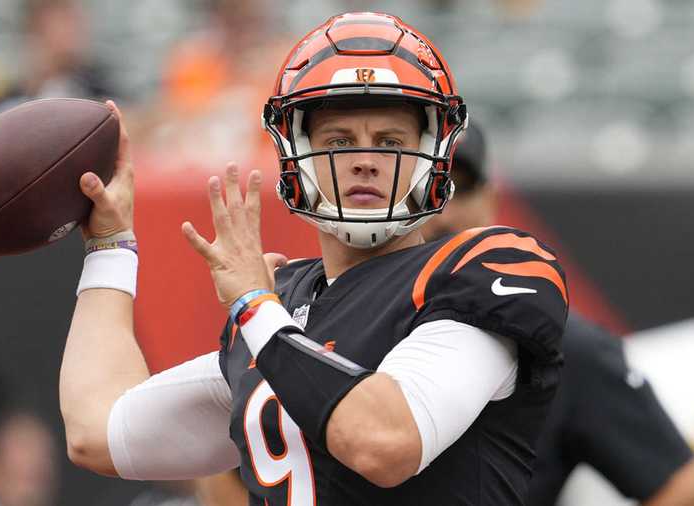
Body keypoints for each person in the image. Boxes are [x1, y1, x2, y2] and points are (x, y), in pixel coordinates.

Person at [59, 13, 568, 504]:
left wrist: (256, 308)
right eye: (339, 141)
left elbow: (385, 442)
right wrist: (109, 245)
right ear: (296, 155)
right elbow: (98, 431)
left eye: (390, 141)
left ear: (433, 154)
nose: (365, 159)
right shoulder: (280, 308)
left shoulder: (485, 266)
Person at [421, 121, 694, 505]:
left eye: (463, 188)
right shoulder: (349, 318)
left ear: (491, 200)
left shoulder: (566, 348)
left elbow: (688, 491)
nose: (446, 215)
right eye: (432, 190)